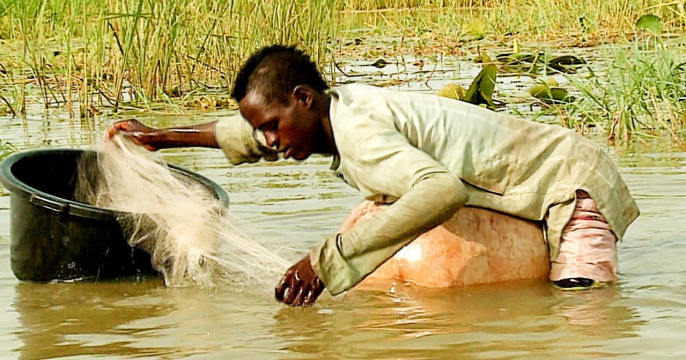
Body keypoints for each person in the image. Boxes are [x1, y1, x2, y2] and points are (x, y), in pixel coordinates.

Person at [106, 45, 640, 306]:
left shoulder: (359, 133)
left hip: (568, 184)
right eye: (262, 133)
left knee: (581, 309)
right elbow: (249, 132)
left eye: (273, 127)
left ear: (303, 99)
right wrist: (163, 137)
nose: (268, 142)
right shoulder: (325, 115)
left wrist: (324, 260)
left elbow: (441, 190)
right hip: (525, 182)